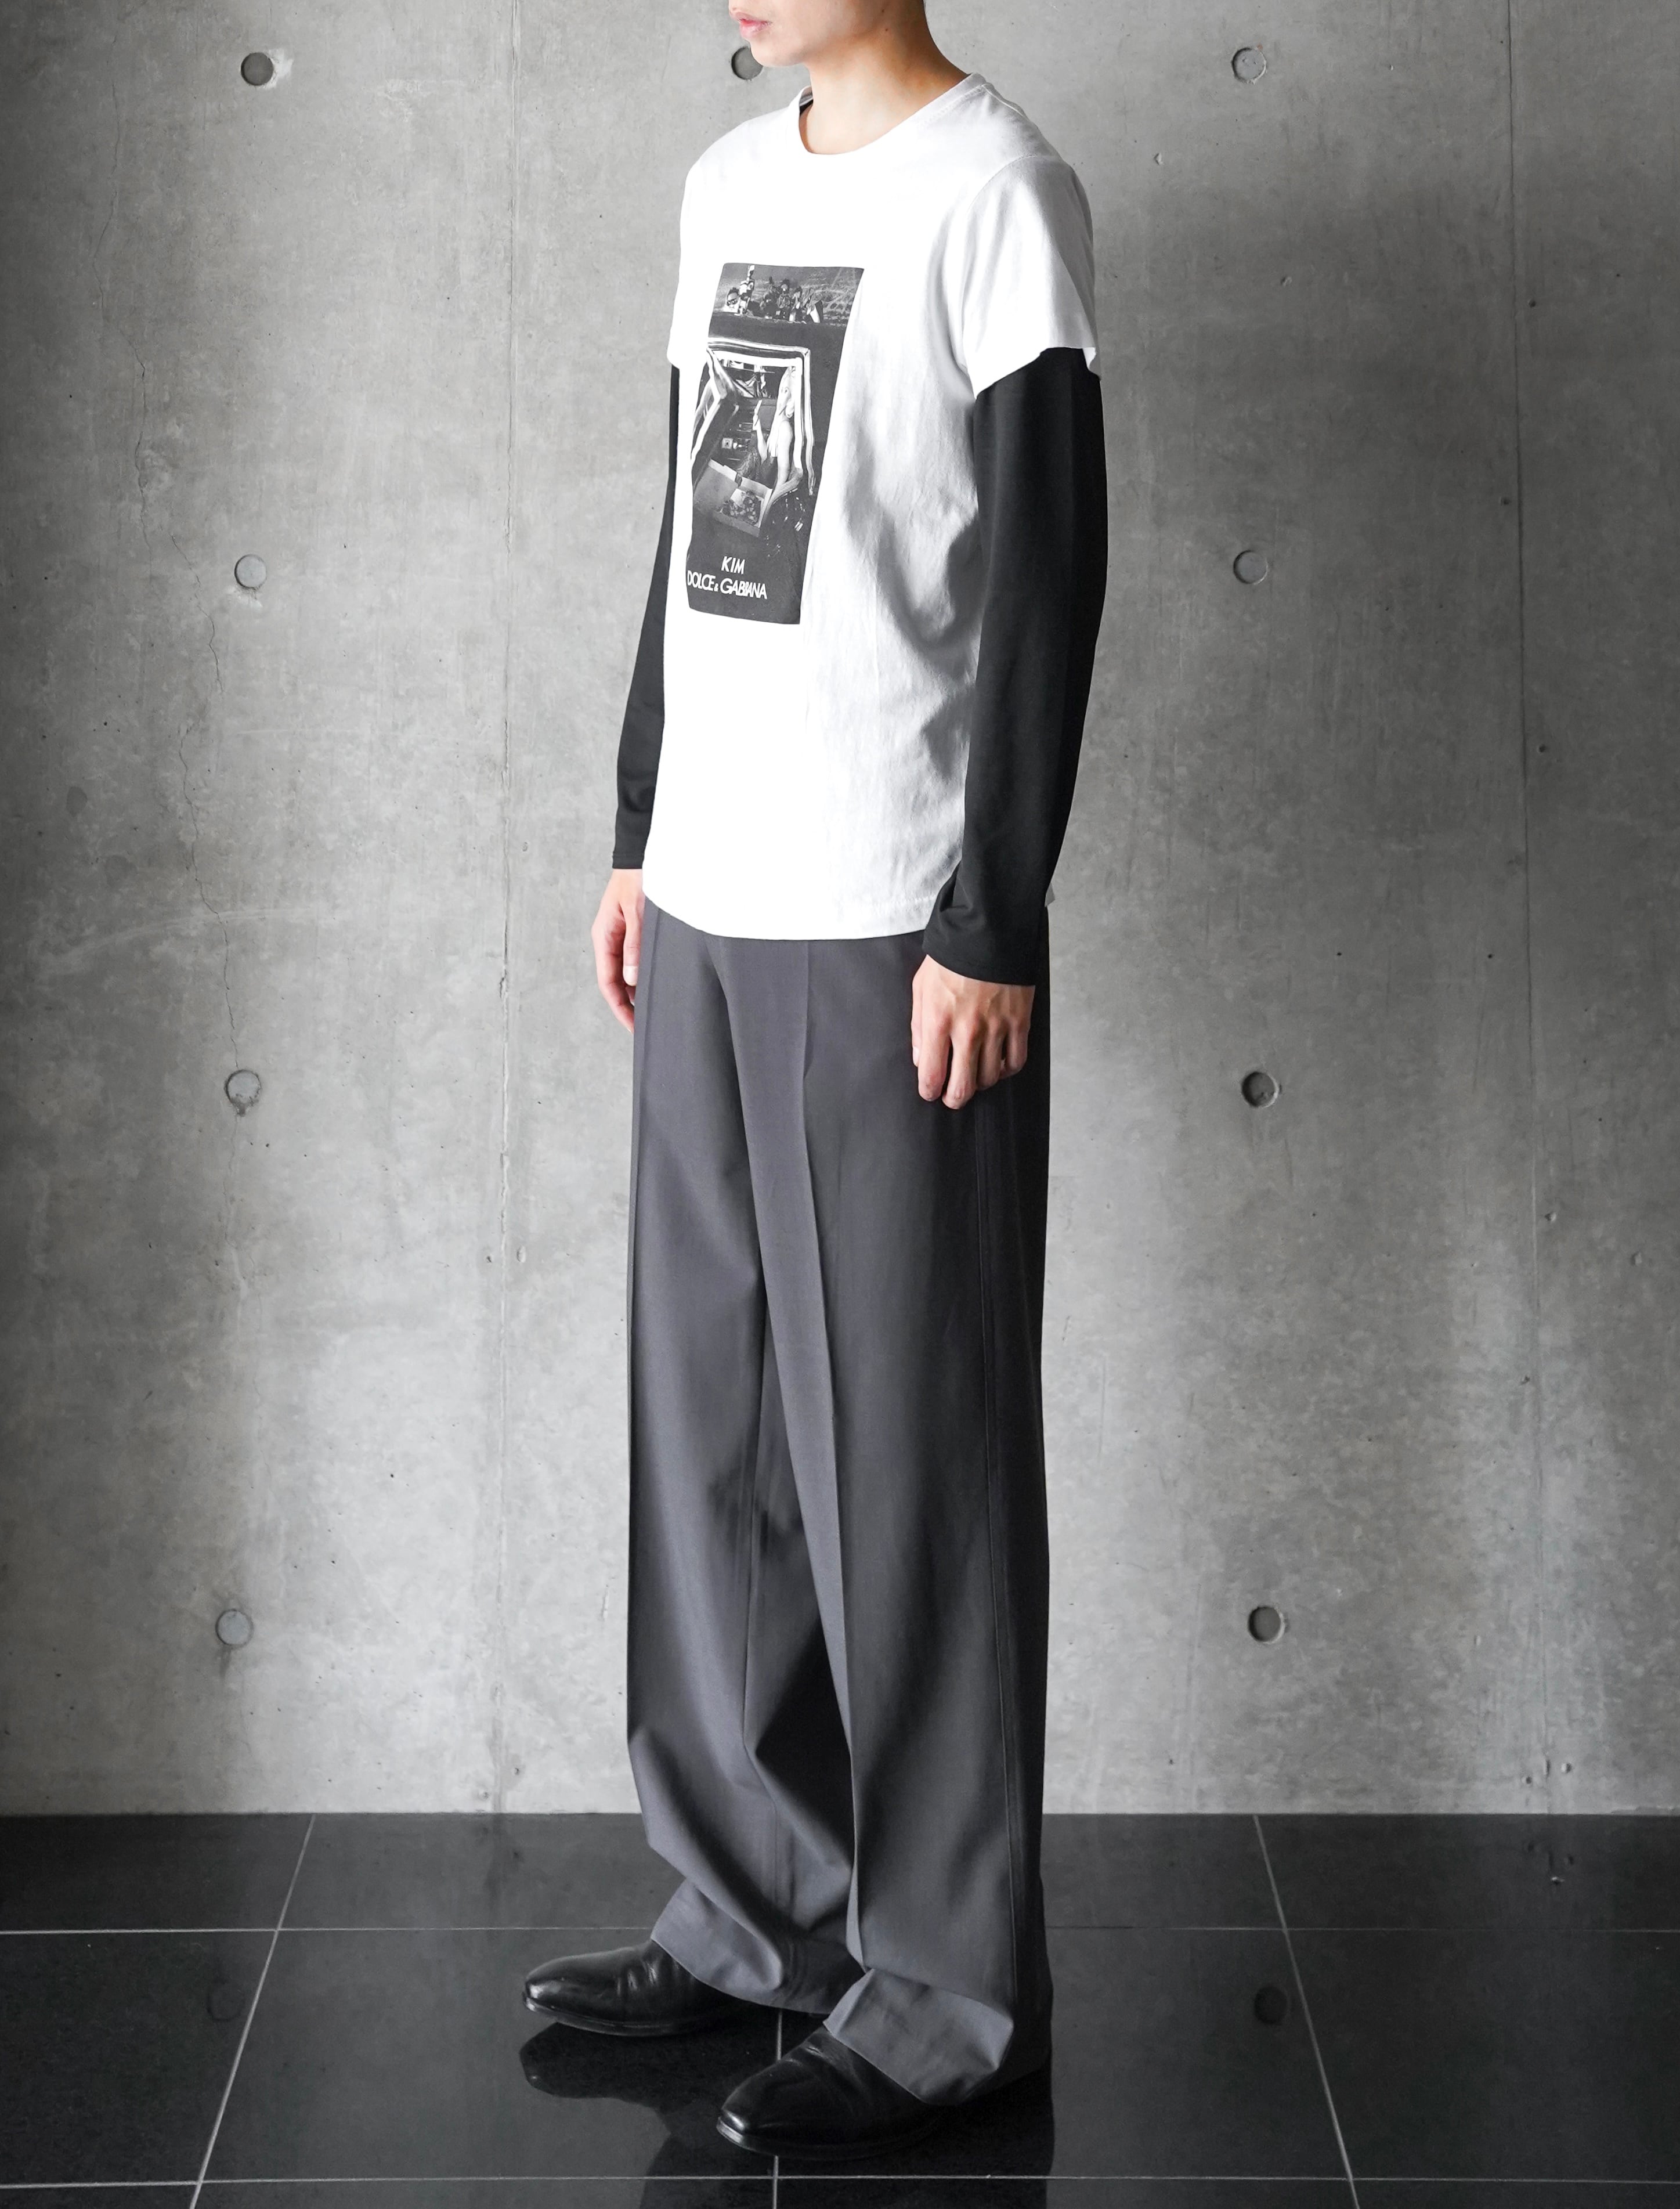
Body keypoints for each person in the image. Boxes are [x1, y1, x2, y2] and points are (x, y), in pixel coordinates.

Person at [523, 0, 1107, 2160]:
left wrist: (994, 913)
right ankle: (750, 1905)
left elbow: (1046, 579)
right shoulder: (722, 192)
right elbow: (693, 528)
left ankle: (950, 1986)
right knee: (718, 1438)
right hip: (710, 891)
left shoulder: (1001, 197)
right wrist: (637, 821)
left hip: (889, 917)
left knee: (910, 1457)